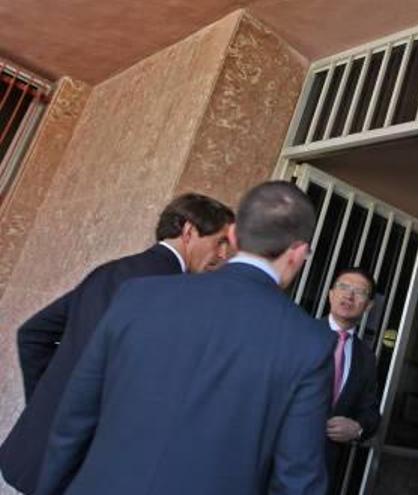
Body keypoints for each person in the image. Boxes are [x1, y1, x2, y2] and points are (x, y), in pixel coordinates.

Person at [35, 181, 334, 495]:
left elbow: (73, 422)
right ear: (299, 253)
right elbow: (298, 480)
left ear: (233, 236)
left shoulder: (138, 295)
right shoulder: (309, 342)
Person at [0, 192, 235, 494]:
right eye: (220, 242)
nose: (223, 256)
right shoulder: (173, 291)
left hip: (38, 453)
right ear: (188, 231)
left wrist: (50, 404)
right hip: (87, 468)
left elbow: (32, 334)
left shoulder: (109, 271)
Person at [324, 267, 381, 493]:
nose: (349, 295)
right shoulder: (301, 334)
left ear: (368, 306)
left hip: (326, 467)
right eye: (343, 287)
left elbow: (370, 412)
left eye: (359, 291)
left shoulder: (366, 357)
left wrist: (357, 429)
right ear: (331, 294)